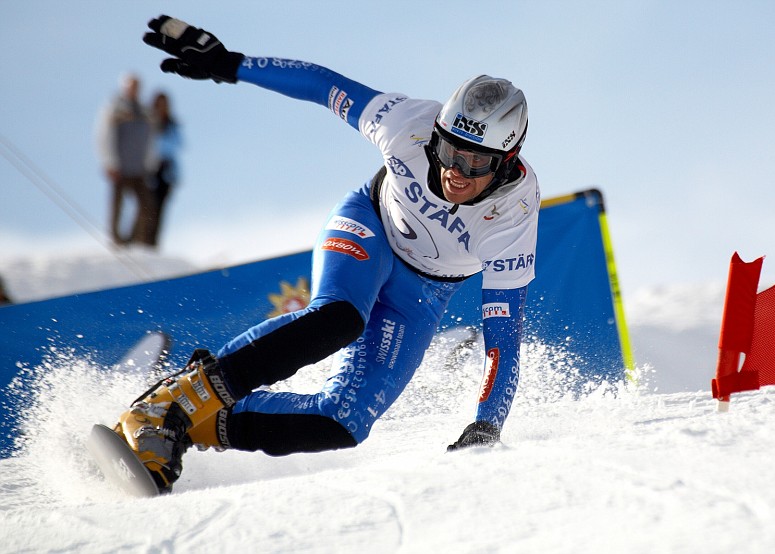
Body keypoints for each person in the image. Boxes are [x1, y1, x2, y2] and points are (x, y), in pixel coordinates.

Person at [114, 15, 541, 493]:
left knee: (344, 422)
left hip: (423, 292)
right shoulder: (407, 124)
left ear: (506, 163)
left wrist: (486, 424)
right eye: (447, 150)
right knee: (338, 318)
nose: (454, 172)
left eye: (476, 162)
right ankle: (171, 402)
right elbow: (323, 86)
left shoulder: (514, 215)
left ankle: (180, 428)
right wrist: (231, 64)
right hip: (370, 225)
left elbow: (503, 339)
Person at [96, 73, 158, 246]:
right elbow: (103, 136)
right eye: (131, 86)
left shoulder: (144, 111)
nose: (134, 90)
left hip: (139, 167)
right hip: (120, 166)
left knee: (145, 205)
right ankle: (116, 240)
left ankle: (136, 239)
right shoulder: (113, 108)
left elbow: (151, 138)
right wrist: (109, 162)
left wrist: (150, 162)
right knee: (117, 205)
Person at [149, 91, 183, 246]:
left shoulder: (171, 124)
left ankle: (153, 243)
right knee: (148, 206)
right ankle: (142, 240)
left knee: (160, 208)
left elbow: (178, 144)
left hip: (166, 171)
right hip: (150, 169)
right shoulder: (149, 122)